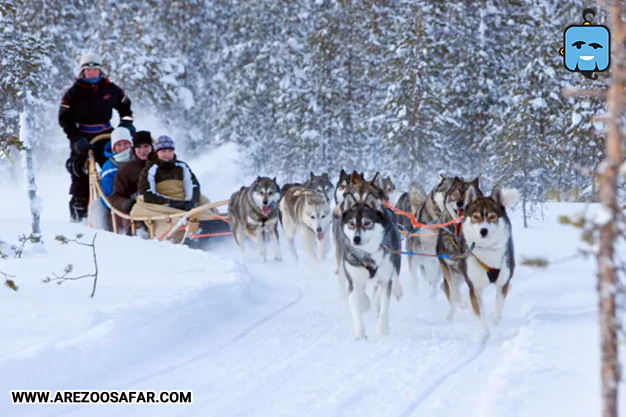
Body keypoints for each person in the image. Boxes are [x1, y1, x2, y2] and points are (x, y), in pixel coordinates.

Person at [59, 52, 135, 222]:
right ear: (82, 72)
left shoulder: (110, 89)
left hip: (106, 134)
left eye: (95, 70)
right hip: (83, 138)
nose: (91, 73)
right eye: (88, 70)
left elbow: (125, 107)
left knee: (118, 166)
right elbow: (64, 119)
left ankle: (123, 202)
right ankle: (79, 213)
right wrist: (76, 138)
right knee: (80, 172)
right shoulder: (73, 93)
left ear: (100, 71)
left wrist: (126, 124)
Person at [131, 135, 217, 240]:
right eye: (163, 151)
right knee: (145, 208)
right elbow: (146, 193)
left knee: (203, 203)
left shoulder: (182, 166)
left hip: (184, 201)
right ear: (157, 152)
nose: (167, 154)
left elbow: (193, 185)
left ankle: (211, 224)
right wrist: (171, 203)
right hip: (162, 207)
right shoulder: (150, 169)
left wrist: (191, 202)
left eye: (170, 151)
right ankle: (177, 233)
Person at [109, 131, 154, 234]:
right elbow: (115, 197)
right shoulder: (126, 169)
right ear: (134, 149)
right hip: (135, 210)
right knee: (134, 222)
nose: (143, 151)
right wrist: (127, 204)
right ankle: (137, 235)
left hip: (159, 206)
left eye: (146, 146)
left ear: (152, 147)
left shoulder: (160, 165)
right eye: (139, 147)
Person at [100, 127, 133, 202]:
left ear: (131, 144)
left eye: (125, 143)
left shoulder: (138, 159)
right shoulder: (109, 167)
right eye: (119, 144)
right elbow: (107, 194)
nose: (123, 147)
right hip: (119, 204)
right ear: (113, 148)